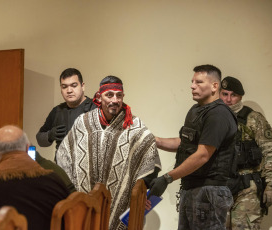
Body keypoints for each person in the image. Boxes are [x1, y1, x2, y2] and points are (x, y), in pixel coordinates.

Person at [56, 75, 161, 230]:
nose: (114, 100)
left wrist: (142, 191)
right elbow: (64, 155)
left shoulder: (135, 126)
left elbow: (151, 158)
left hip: (121, 203)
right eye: (109, 95)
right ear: (99, 97)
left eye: (119, 95)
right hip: (85, 199)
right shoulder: (82, 122)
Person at [149, 65, 237, 229]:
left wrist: (167, 178)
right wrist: (156, 140)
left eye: (199, 82)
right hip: (192, 190)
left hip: (209, 193)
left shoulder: (218, 114)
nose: (192, 86)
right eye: (192, 82)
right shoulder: (196, 111)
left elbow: (203, 154)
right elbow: (186, 144)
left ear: (214, 86)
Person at [219, 76, 272, 229]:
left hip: (247, 187)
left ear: (240, 96)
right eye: (225, 94)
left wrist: (271, 184)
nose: (228, 99)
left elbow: (270, 151)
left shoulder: (253, 119)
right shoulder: (214, 118)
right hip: (219, 187)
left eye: (233, 95)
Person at [36, 68, 96, 159]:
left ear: (82, 86)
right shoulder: (57, 111)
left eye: (74, 85)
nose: (69, 90)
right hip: (62, 169)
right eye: (64, 87)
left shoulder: (95, 108)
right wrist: (50, 135)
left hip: (88, 169)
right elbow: (40, 139)